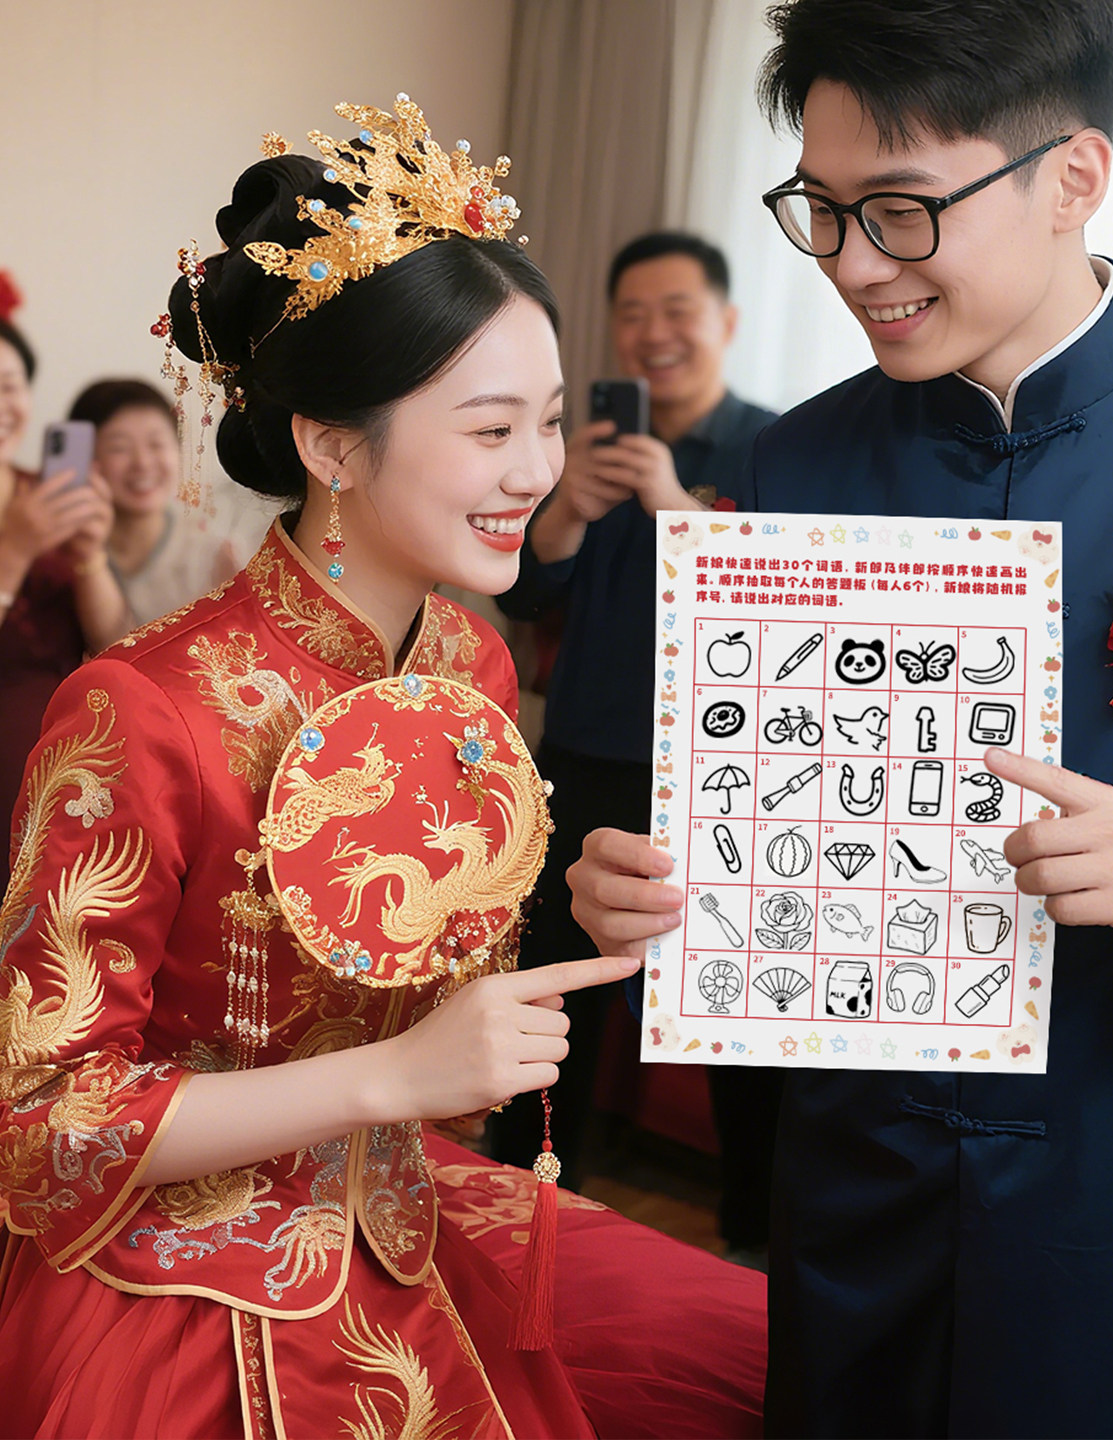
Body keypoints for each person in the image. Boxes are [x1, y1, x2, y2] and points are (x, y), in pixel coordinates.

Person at [567, 4, 1113, 1435]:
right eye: (822, 208)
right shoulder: (797, 461)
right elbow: (765, 806)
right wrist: (658, 894)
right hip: (867, 1181)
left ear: (1075, 176)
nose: (855, 264)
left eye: (904, 211)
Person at [0, 99, 765, 1439]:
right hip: (180, 1272)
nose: (537, 472)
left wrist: (580, 916)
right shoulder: (142, 707)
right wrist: (395, 1082)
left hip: (400, 1214)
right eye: (490, 431)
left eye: (548, 423)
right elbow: (41, 1125)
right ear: (332, 445)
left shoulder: (470, 662)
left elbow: (435, 977)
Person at [493, 232, 782, 1258]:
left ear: (726, 323)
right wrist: (566, 509)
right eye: (633, 314)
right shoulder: (580, 448)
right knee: (552, 997)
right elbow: (525, 592)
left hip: (728, 778)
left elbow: (782, 606)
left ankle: (756, 1242)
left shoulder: (774, 446)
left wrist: (675, 507)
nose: (654, 333)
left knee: (742, 1024)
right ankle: (518, 1211)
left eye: (677, 311)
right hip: (587, 761)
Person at [0, 296, 130, 886]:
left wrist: (90, 556)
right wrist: (14, 550)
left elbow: (114, 646)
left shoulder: (48, 493)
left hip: (60, 774)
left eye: (10, 386)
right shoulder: (30, 519)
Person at [67, 377, 239, 625]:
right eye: (119, 447)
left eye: (156, 444)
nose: (143, 463)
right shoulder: (60, 550)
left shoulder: (214, 558)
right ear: (84, 459)